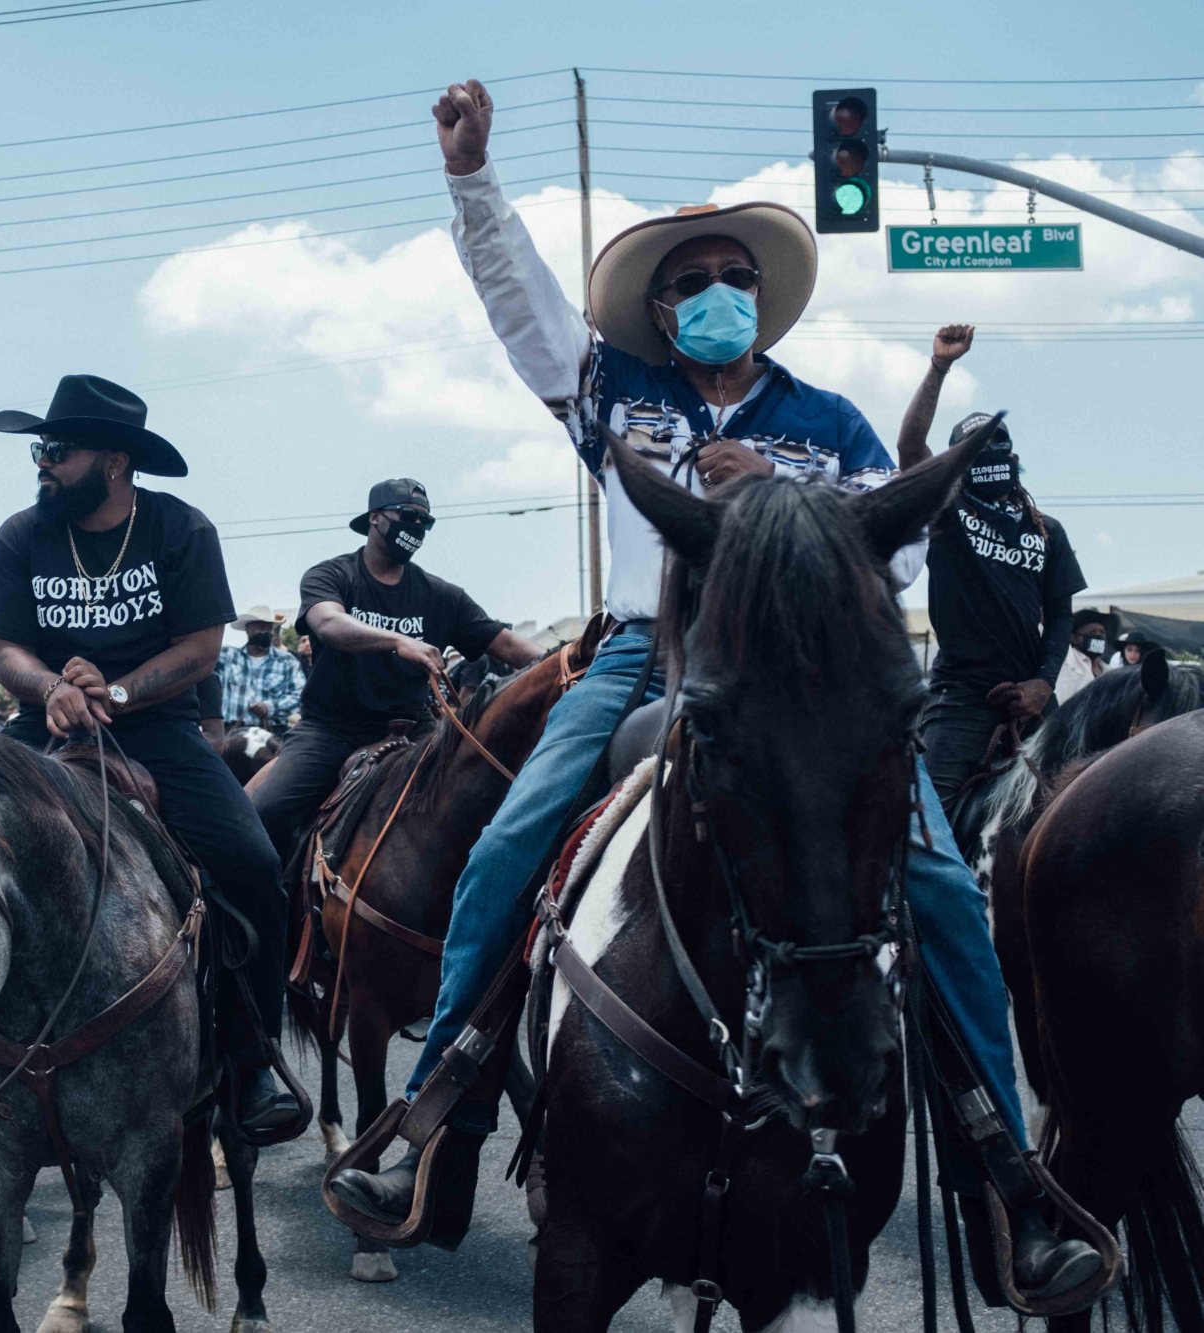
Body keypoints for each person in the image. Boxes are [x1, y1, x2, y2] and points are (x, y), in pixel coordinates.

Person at [329, 80, 1097, 1301]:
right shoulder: (614, 388)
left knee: (944, 882)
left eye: (728, 274)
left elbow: (888, 554)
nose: (708, 294)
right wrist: (472, 183)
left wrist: (769, 504)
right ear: (659, 306)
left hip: (798, 671)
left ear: (760, 298)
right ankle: (437, 1109)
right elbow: (520, 306)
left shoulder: (830, 421)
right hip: (639, 651)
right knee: (508, 838)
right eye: (685, 282)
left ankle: (1008, 1176)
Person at [0, 373, 297, 1137]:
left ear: (113, 461)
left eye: (56, 450)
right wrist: (54, 686)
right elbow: (4, 646)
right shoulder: (22, 534)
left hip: (154, 729)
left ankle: (253, 1063)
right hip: (42, 729)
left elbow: (199, 648)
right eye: (40, 450)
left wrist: (113, 695)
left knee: (252, 864)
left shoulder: (179, 529)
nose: (41, 463)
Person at [252, 480, 541, 862]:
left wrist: (575, 661)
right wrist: (399, 640)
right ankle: (270, 913)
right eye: (407, 517)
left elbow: (506, 644)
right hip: (330, 732)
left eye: (425, 521)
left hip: (415, 732)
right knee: (264, 814)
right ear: (375, 518)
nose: (416, 528)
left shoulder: (442, 595)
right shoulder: (333, 576)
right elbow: (328, 623)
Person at [893, 327, 1085, 809]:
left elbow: (1060, 615)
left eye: (997, 441)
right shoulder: (949, 510)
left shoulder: (1048, 530)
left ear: (1014, 456)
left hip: (1035, 697)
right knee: (927, 820)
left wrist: (1043, 683)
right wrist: (939, 368)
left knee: (1082, 808)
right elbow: (911, 448)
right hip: (961, 698)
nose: (991, 452)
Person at [216, 604, 304, 735]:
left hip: (272, 732)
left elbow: (299, 694)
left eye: (269, 627)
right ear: (248, 628)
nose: (265, 630)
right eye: (260, 626)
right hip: (232, 731)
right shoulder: (227, 656)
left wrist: (270, 707)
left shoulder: (287, 661)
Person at [1056, 609, 1109, 702]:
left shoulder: (1110, 671)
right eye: (1092, 632)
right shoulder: (1064, 667)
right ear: (1074, 638)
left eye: (1102, 632)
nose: (1098, 636)